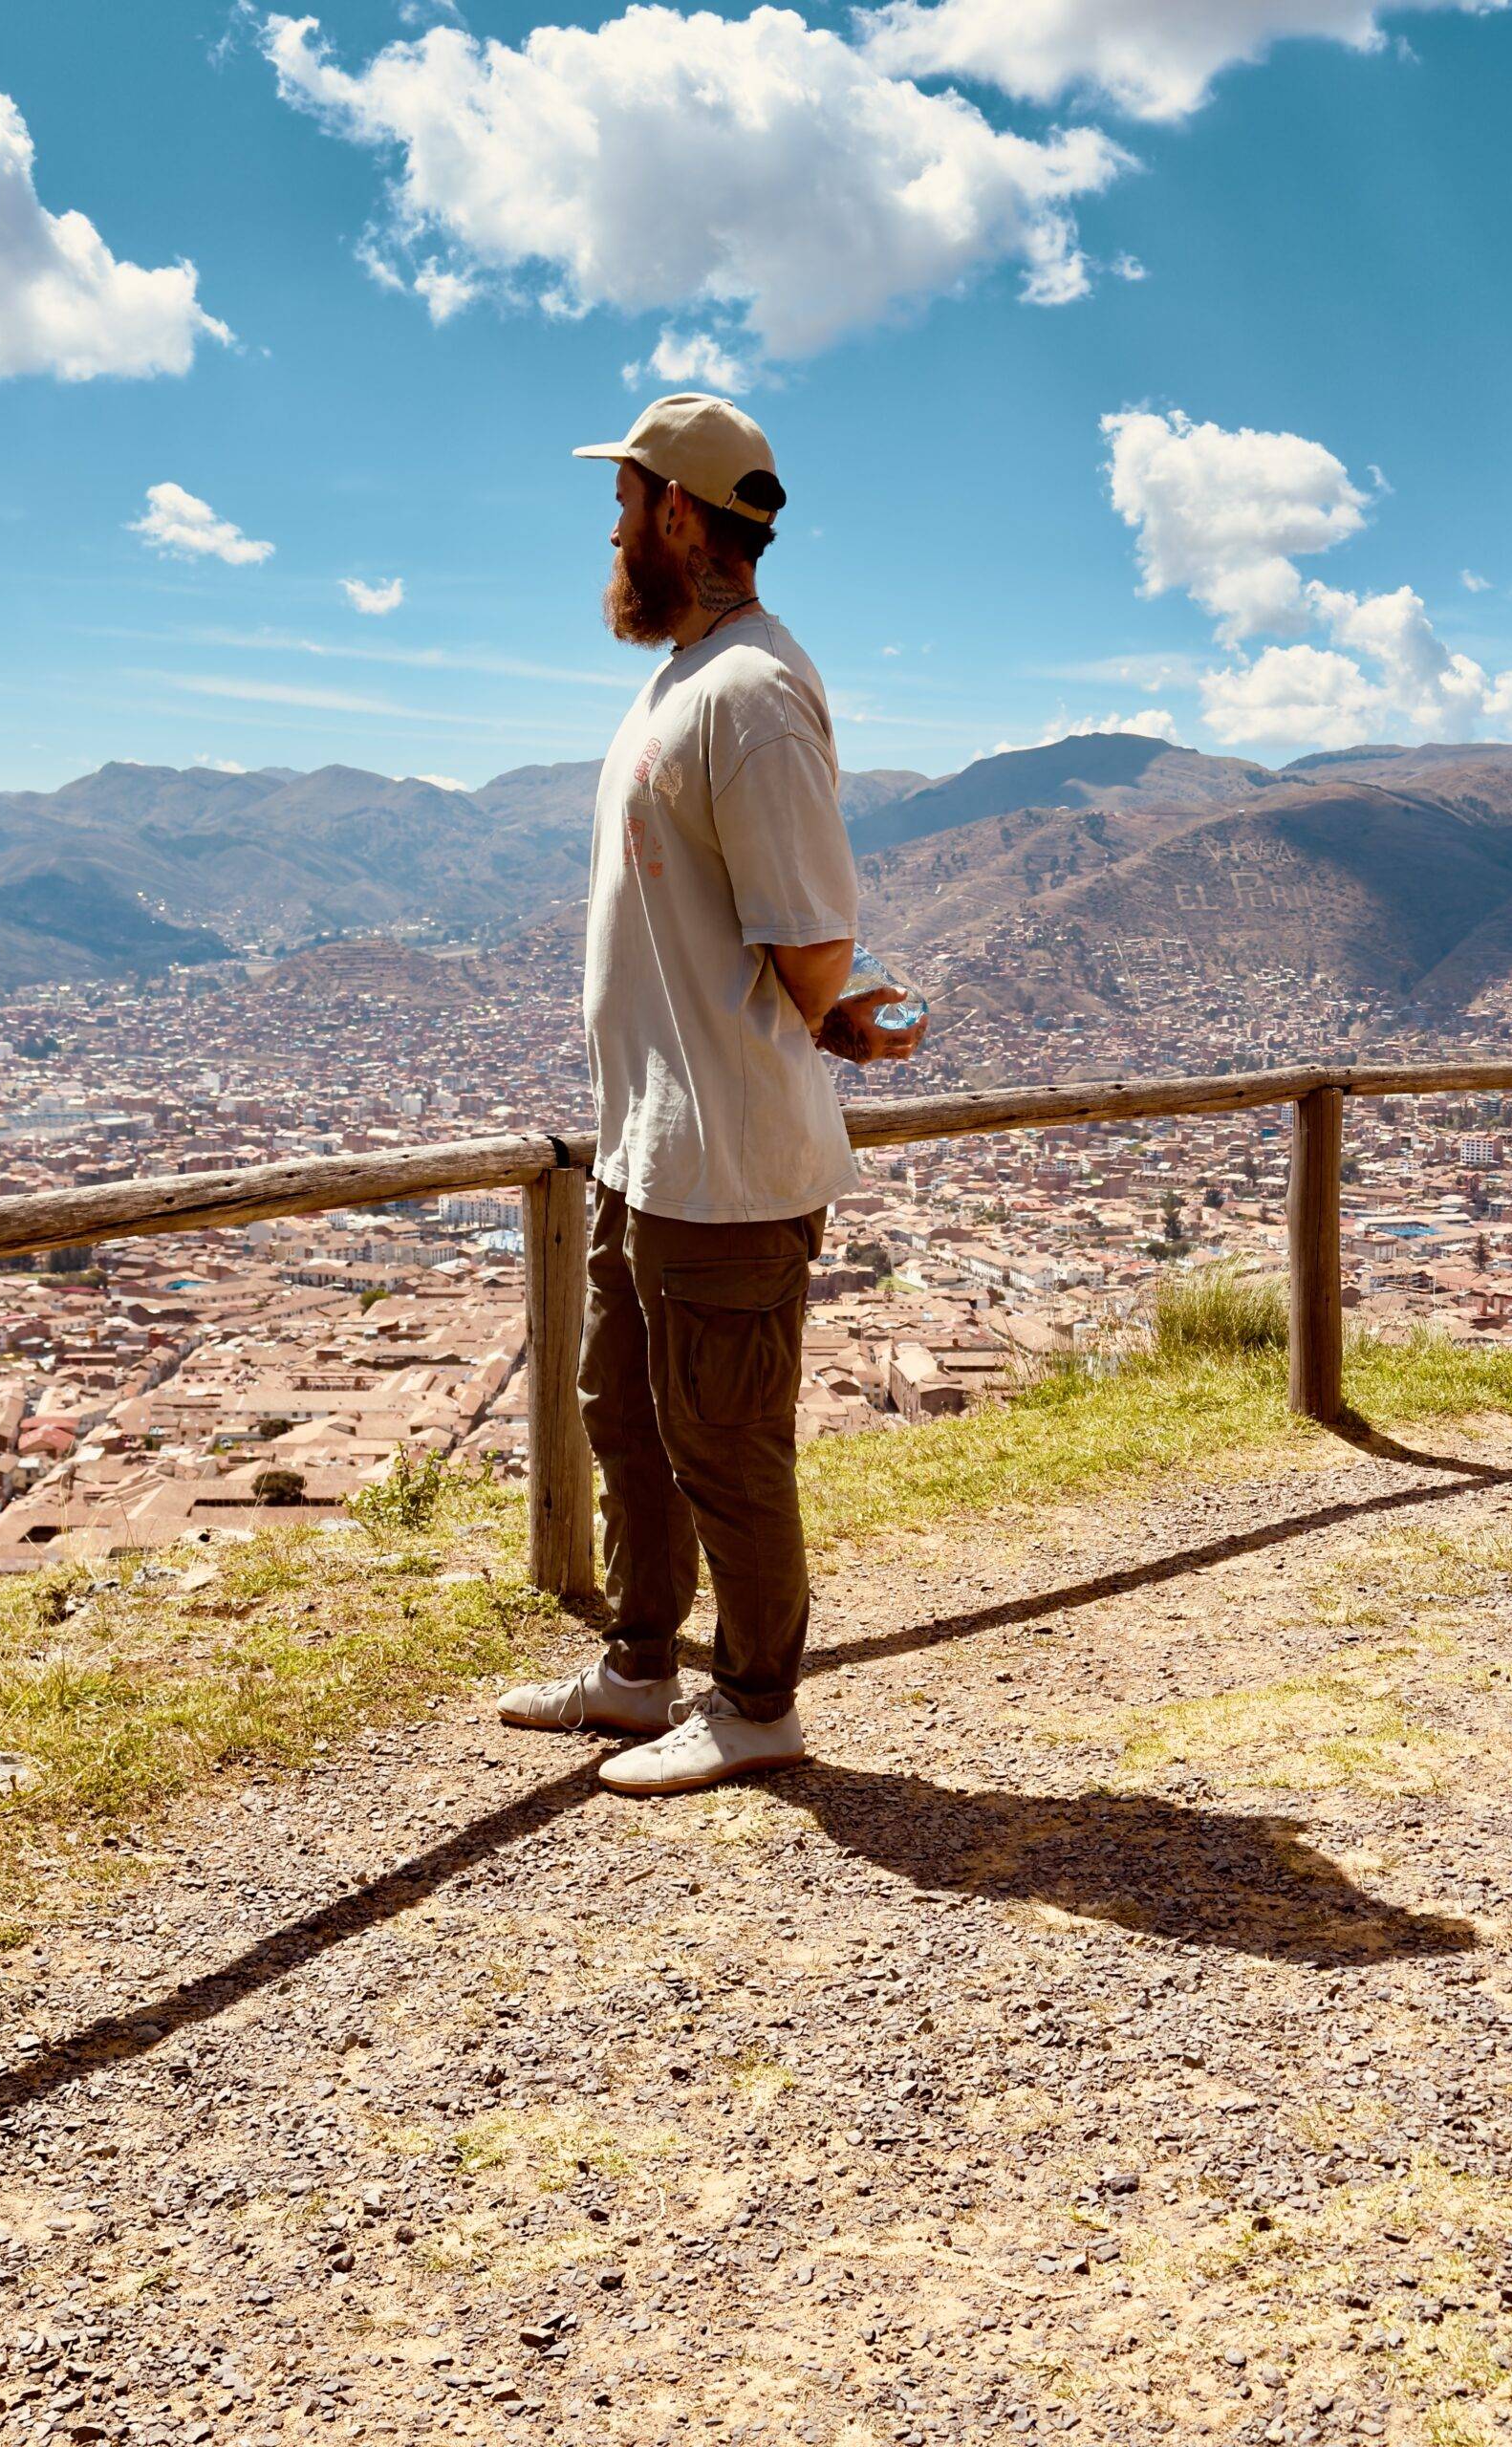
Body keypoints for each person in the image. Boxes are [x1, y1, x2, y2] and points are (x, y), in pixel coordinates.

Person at [496, 393, 923, 1795]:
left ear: (678, 514)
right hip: (650, 1148)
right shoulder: (688, 680)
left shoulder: (747, 695)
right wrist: (815, 1027)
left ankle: (757, 1701)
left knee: (725, 1443)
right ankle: (639, 1669)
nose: (611, 532)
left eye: (622, 505)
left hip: (725, 1159)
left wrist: (802, 1019)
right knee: (627, 1413)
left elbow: (808, 936)